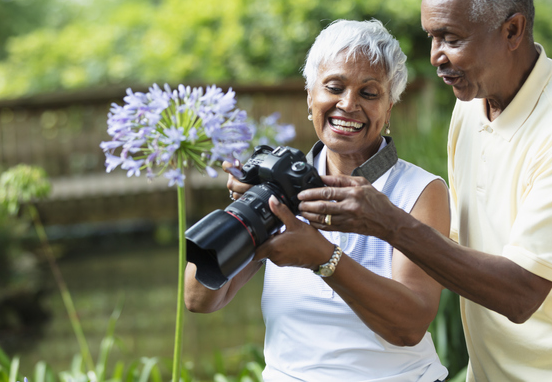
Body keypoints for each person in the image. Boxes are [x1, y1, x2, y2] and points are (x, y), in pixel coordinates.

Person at [297, 0, 552, 381]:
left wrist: (389, 224)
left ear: (512, 30)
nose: (435, 56)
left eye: (451, 38)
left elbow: (521, 294)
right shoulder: (470, 107)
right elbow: (457, 252)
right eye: (431, 37)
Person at [185, 19, 451, 382]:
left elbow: (409, 327)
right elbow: (200, 299)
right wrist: (240, 211)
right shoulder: (279, 188)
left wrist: (323, 258)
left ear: (389, 108)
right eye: (334, 87)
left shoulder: (421, 190)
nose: (348, 104)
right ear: (311, 97)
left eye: (369, 94)